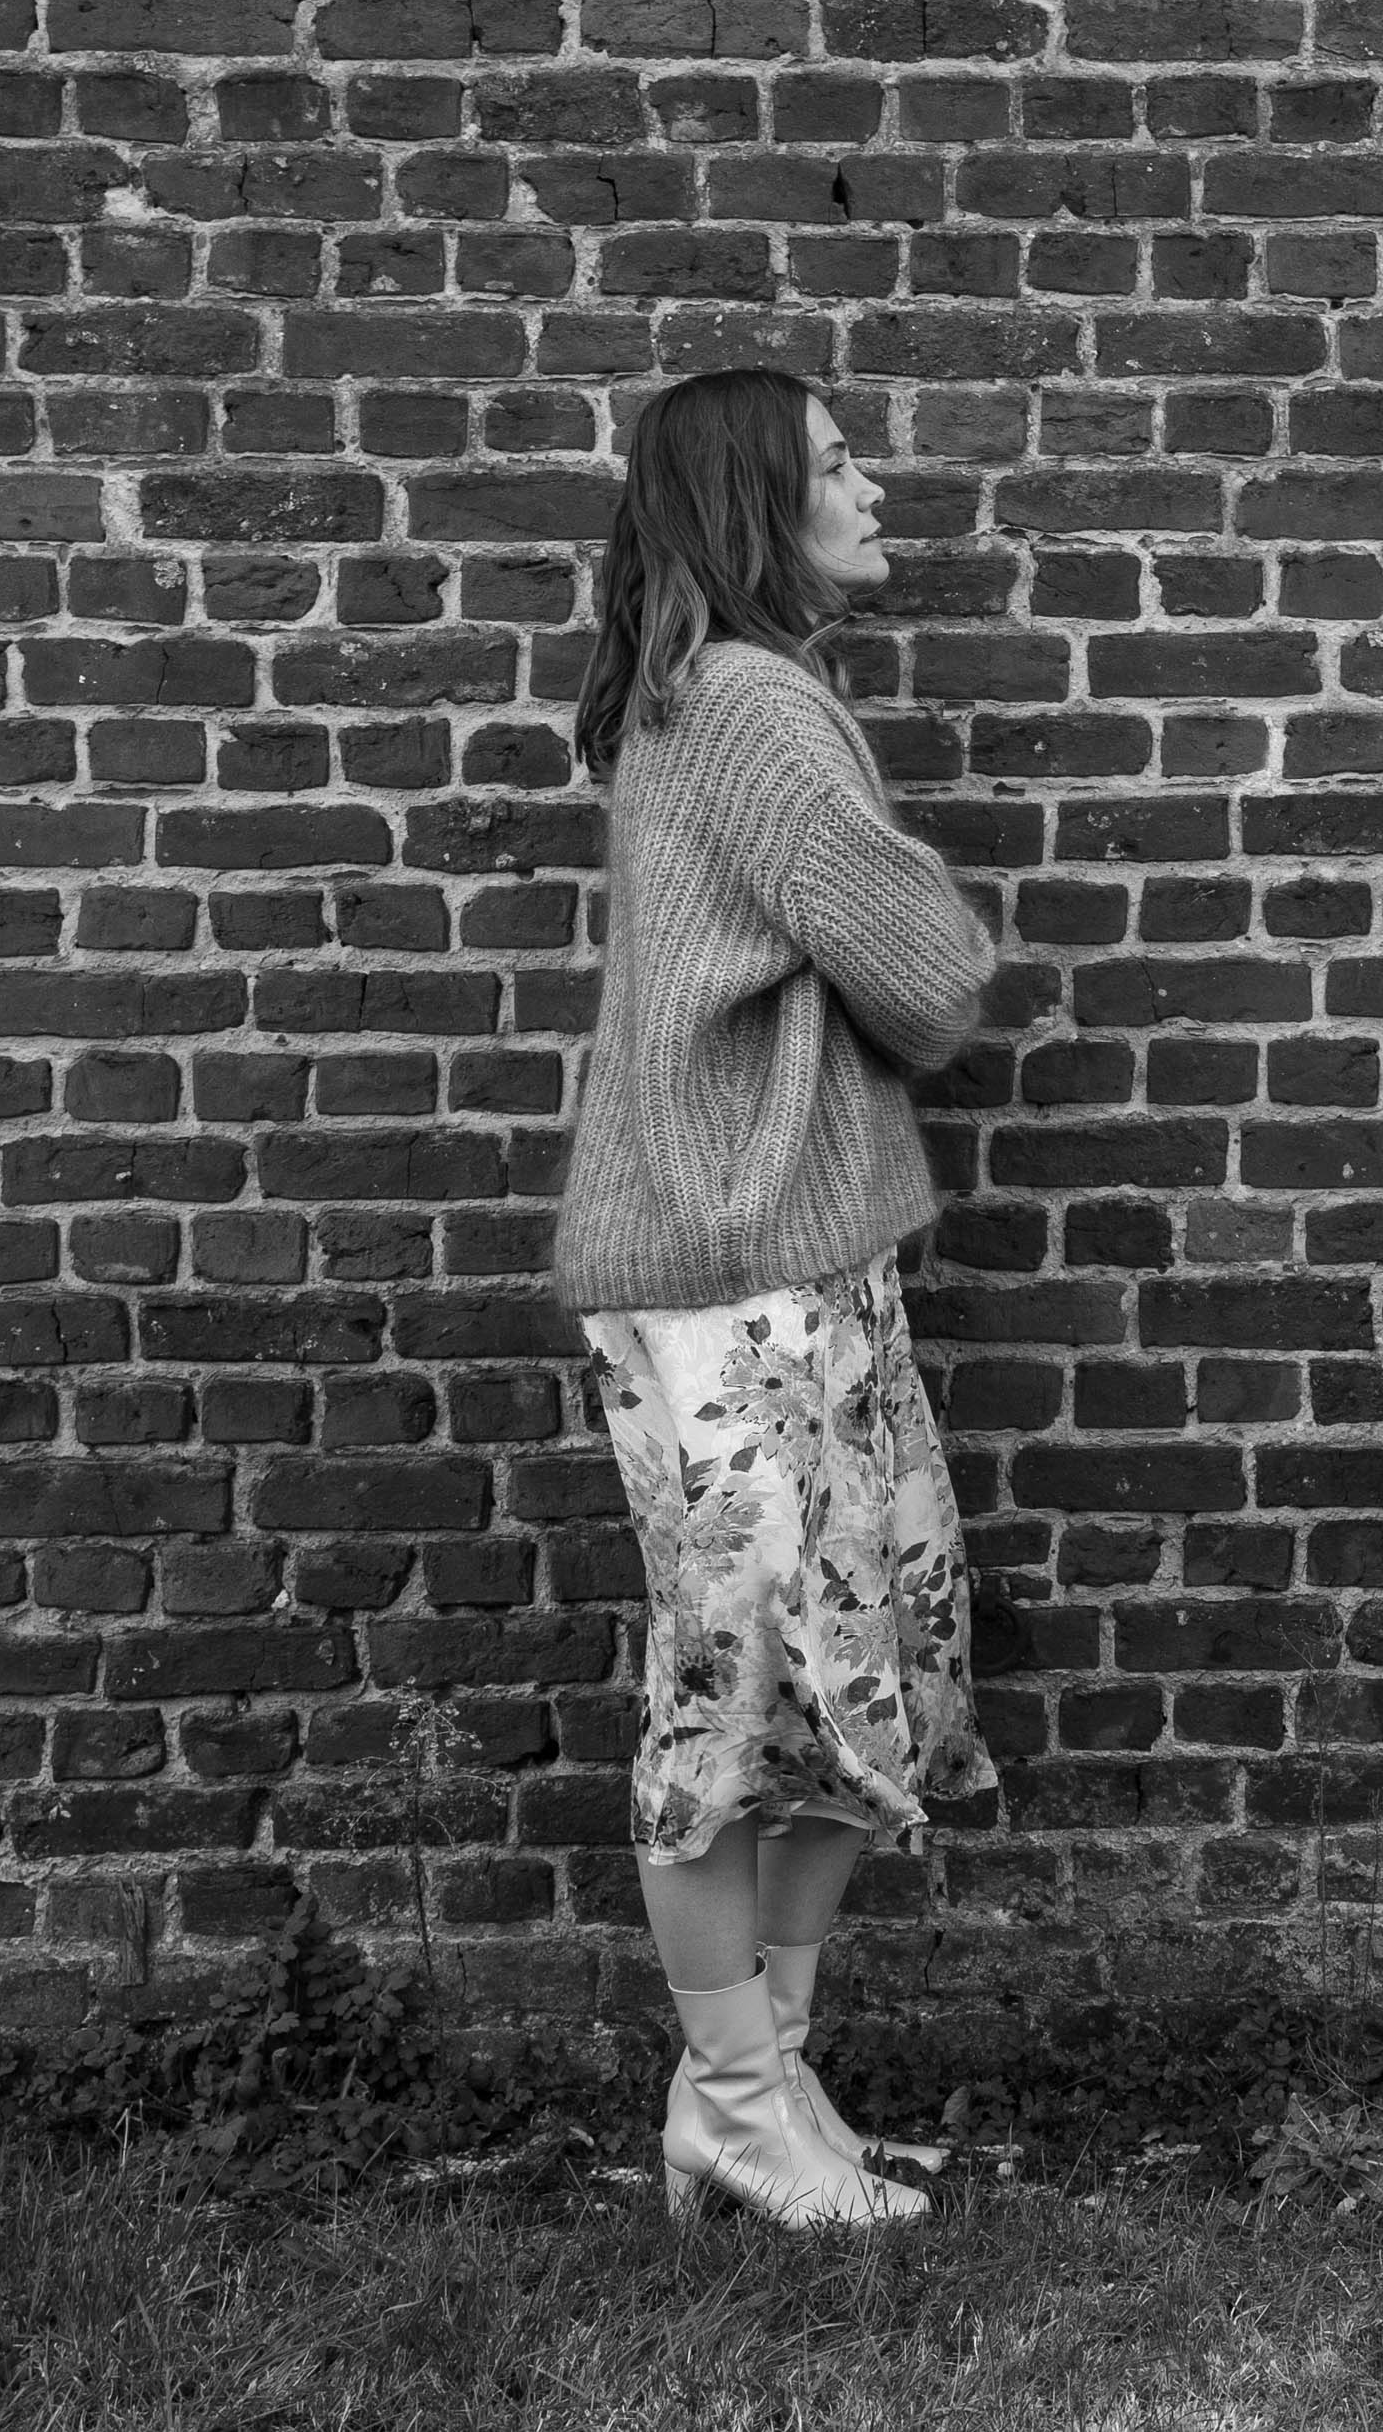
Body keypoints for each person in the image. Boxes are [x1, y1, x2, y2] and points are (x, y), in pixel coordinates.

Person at [552, 368, 1000, 2229]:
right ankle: (736, 2097)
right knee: (736, 1703)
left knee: (845, 1689)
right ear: (754, 507)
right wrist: (943, 939)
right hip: (734, 1283)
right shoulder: (749, 703)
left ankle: (765, 2086)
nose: (872, 484)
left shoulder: (714, 693)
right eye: (833, 462)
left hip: (782, 1268)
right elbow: (931, 977)